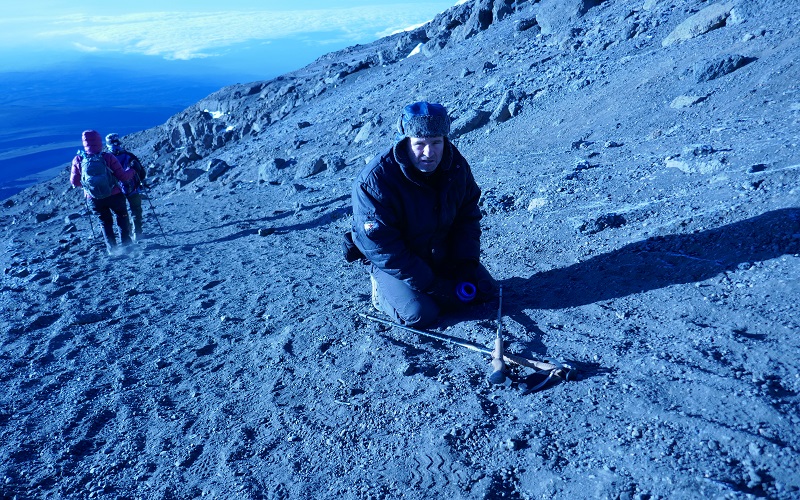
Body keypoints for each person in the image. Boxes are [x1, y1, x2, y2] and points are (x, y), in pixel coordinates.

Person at [349, 101, 496, 328]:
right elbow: (382, 246)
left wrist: (465, 264)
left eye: (436, 142)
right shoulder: (375, 181)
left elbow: (467, 217)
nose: (429, 153)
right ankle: (381, 293)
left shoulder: (456, 166)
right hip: (395, 258)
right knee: (421, 313)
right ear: (405, 141)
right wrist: (431, 284)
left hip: (437, 249)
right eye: (419, 144)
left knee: (485, 292)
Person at [70, 130, 135, 255]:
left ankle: (113, 250)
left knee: (105, 223)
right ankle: (127, 246)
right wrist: (132, 170)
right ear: (99, 141)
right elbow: (123, 177)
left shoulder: (78, 159)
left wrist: (89, 186)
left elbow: (74, 182)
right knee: (122, 217)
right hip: (114, 194)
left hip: (93, 198)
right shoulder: (107, 157)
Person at [106, 133, 146, 241]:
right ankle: (137, 232)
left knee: (122, 213)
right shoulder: (129, 156)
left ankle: (127, 233)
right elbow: (142, 173)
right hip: (133, 188)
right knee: (136, 210)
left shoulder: (106, 158)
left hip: (116, 191)